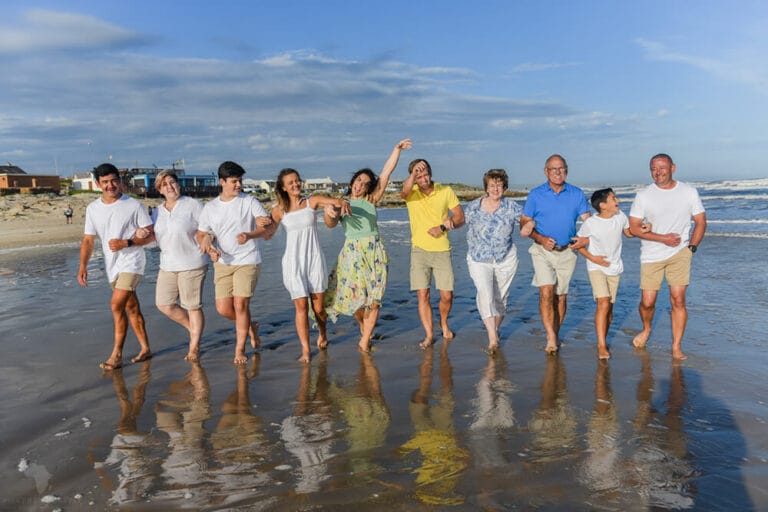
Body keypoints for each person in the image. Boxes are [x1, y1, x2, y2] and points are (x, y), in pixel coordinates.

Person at [323, 138, 412, 352]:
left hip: (374, 252)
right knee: (356, 300)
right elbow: (330, 223)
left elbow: (386, 172)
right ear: (352, 181)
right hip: (352, 254)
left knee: (374, 299)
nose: (360, 185)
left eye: (365, 183)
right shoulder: (340, 201)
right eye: (358, 181)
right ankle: (365, 329)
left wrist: (396, 149)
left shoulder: (372, 199)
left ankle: (364, 341)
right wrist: (333, 212)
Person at [268, 168, 351, 363]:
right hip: (293, 262)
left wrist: (341, 203)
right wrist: (255, 230)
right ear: (283, 187)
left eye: (297, 180)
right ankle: (305, 350)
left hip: (313, 259)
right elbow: (268, 232)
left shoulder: (310, 201)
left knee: (319, 308)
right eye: (291, 182)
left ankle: (322, 331)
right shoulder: (279, 210)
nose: (296, 184)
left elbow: (334, 201)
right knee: (301, 307)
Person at [628, 154, 706, 360]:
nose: (658, 172)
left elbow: (700, 221)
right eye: (653, 168)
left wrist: (692, 248)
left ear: (673, 167)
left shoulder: (688, 192)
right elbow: (634, 228)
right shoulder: (644, 195)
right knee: (648, 302)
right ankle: (646, 329)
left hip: (680, 253)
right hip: (651, 254)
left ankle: (676, 346)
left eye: (662, 167)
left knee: (678, 300)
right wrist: (662, 238)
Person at [77, 163, 154, 370]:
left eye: (114, 180)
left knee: (115, 304)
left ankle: (116, 355)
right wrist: (83, 266)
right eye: (105, 182)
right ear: (97, 184)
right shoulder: (93, 208)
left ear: (119, 181)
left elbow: (151, 235)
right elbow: (88, 240)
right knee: (131, 307)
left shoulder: (134, 205)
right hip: (112, 265)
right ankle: (145, 349)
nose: (111, 185)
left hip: (132, 262)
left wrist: (127, 243)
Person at [196, 161, 272, 365]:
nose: (238, 185)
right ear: (222, 182)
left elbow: (264, 227)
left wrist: (250, 234)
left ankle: (239, 349)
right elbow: (203, 233)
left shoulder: (250, 202)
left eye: (240, 181)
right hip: (222, 262)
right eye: (234, 181)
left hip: (248, 260)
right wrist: (209, 246)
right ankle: (250, 327)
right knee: (223, 308)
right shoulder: (210, 207)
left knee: (240, 305)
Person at [520, 154, 590, 354]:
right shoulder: (535, 195)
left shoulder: (576, 194)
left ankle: (555, 332)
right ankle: (550, 336)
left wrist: (587, 238)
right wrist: (540, 238)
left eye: (561, 168)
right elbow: (524, 223)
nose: (558, 172)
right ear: (546, 171)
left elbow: (589, 221)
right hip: (542, 251)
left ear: (566, 170)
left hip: (567, 252)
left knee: (560, 297)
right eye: (553, 169)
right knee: (546, 292)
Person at [464, 169, 534, 354]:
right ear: (486, 187)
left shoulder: (512, 207)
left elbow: (527, 221)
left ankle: (494, 330)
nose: (496, 189)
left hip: (505, 257)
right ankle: (493, 337)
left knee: (501, 298)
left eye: (500, 185)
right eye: (492, 185)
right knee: (485, 293)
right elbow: (460, 223)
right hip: (479, 258)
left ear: (505, 187)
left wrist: (530, 224)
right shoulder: (472, 207)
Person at [148, 170, 214, 362]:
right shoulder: (157, 211)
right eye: (164, 184)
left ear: (178, 184)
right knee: (164, 304)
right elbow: (156, 238)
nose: (169, 187)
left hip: (192, 262)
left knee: (192, 306)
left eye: (172, 182)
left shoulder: (192, 205)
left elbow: (208, 228)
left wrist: (209, 242)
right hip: (167, 264)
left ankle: (194, 347)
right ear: (159, 189)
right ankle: (193, 329)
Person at [401, 158, 465, 349]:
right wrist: (412, 174)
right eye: (417, 174)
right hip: (419, 250)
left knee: (447, 296)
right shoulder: (410, 194)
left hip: (442, 250)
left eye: (425, 172)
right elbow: (404, 191)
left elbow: (460, 217)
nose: (422, 177)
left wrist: (443, 227)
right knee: (423, 294)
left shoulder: (445, 191)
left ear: (430, 172)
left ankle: (444, 323)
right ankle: (429, 334)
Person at [576, 188, 642, 359]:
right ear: (603, 205)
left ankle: (603, 338)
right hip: (596, 267)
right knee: (603, 302)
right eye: (613, 198)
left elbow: (629, 233)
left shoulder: (620, 216)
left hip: (614, 267)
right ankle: (601, 346)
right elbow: (577, 245)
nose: (617, 201)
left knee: (609, 309)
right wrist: (593, 258)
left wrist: (644, 227)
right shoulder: (591, 223)